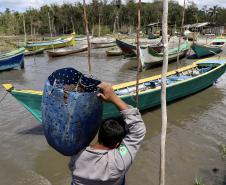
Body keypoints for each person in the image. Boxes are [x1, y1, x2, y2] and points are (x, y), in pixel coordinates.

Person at [69, 82, 146, 185]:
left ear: (100, 133)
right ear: (117, 144)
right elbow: (138, 129)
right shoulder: (118, 162)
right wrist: (114, 98)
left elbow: (75, 126)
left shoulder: (77, 154)